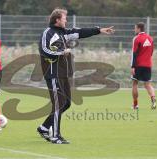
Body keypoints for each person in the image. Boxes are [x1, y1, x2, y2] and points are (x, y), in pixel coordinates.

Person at [37, 8, 115, 144]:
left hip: (63, 74)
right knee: (58, 104)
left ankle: (44, 128)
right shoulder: (48, 33)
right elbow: (44, 50)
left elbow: (80, 32)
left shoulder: (64, 33)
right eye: (64, 18)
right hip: (52, 73)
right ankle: (55, 136)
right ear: (57, 20)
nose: (66, 20)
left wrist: (99, 30)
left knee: (66, 103)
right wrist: (61, 53)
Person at [131, 22, 156, 110]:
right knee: (148, 84)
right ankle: (153, 98)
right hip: (148, 65)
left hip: (138, 65)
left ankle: (135, 104)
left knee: (134, 83)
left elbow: (134, 53)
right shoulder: (150, 38)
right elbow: (152, 52)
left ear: (138, 29)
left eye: (135, 28)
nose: (134, 30)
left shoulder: (137, 39)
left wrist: (133, 66)